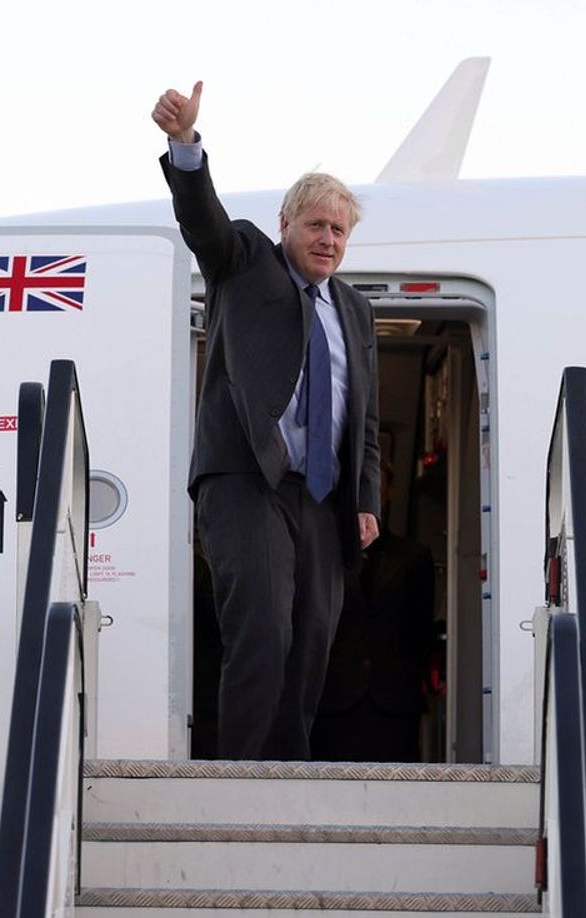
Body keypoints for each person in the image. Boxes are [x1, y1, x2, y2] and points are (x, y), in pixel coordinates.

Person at [152, 82, 380, 761]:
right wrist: (185, 146)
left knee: (311, 644)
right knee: (262, 632)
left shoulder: (355, 310)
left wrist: (366, 500)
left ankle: (288, 783)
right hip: (248, 479)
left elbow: (363, 418)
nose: (328, 239)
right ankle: (241, 783)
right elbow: (204, 222)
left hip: (322, 496)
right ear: (286, 224)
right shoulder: (247, 260)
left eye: (339, 230)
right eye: (316, 225)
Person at [312, 462, 436, 762]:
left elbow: (421, 632)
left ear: (388, 490)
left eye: (376, 484)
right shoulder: (324, 555)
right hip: (335, 700)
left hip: (394, 702)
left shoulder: (415, 558)